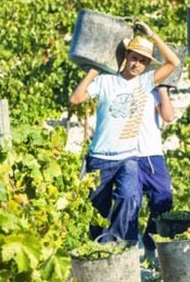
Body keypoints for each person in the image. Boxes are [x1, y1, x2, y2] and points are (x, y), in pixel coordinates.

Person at [70, 20, 181, 243]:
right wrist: (94, 68)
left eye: (142, 61)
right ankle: (99, 246)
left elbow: (174, 62)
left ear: (147, 64)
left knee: (129, 196)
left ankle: (119, 244)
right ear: (126, 57)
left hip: (127, 158)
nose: (136, 64)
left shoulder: (145, 82)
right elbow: (76, 98)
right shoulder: (105, 81)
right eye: (133, 58)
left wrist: (152, 35)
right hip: (99, 157)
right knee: (96, 208)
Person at [132, 84, 177, 257]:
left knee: (164, 198)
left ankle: (150, 243)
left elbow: (169, 116)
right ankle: (129, 249)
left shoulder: (153, 89)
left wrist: (163, 88)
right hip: (127, 155)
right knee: (130, 203)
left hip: (152, 155)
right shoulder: (119, 85)